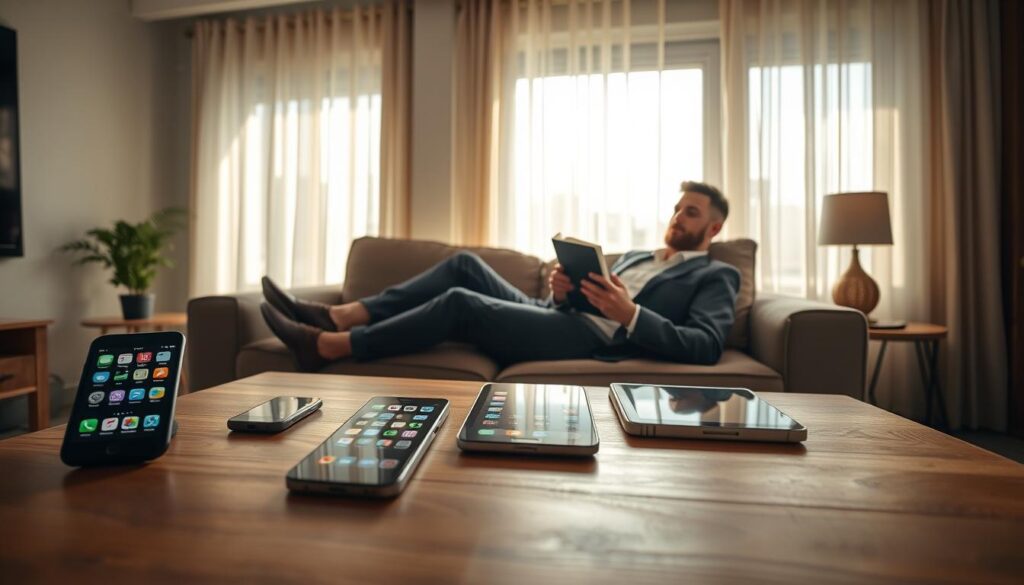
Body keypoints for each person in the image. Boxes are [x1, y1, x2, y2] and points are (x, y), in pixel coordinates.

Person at [260, 181, 741, 371]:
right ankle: (339, 315)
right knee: (464, 266)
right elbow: (577, 305)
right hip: (567, 317)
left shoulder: (717, 276)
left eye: (691, 212)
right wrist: (563, 293)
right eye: (678, 208)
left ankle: (326, 346)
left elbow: (705, 344)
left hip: (594, 338)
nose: (678, 217)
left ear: (713, 227)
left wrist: (631, 314)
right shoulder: (638, 256)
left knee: (460, 303)